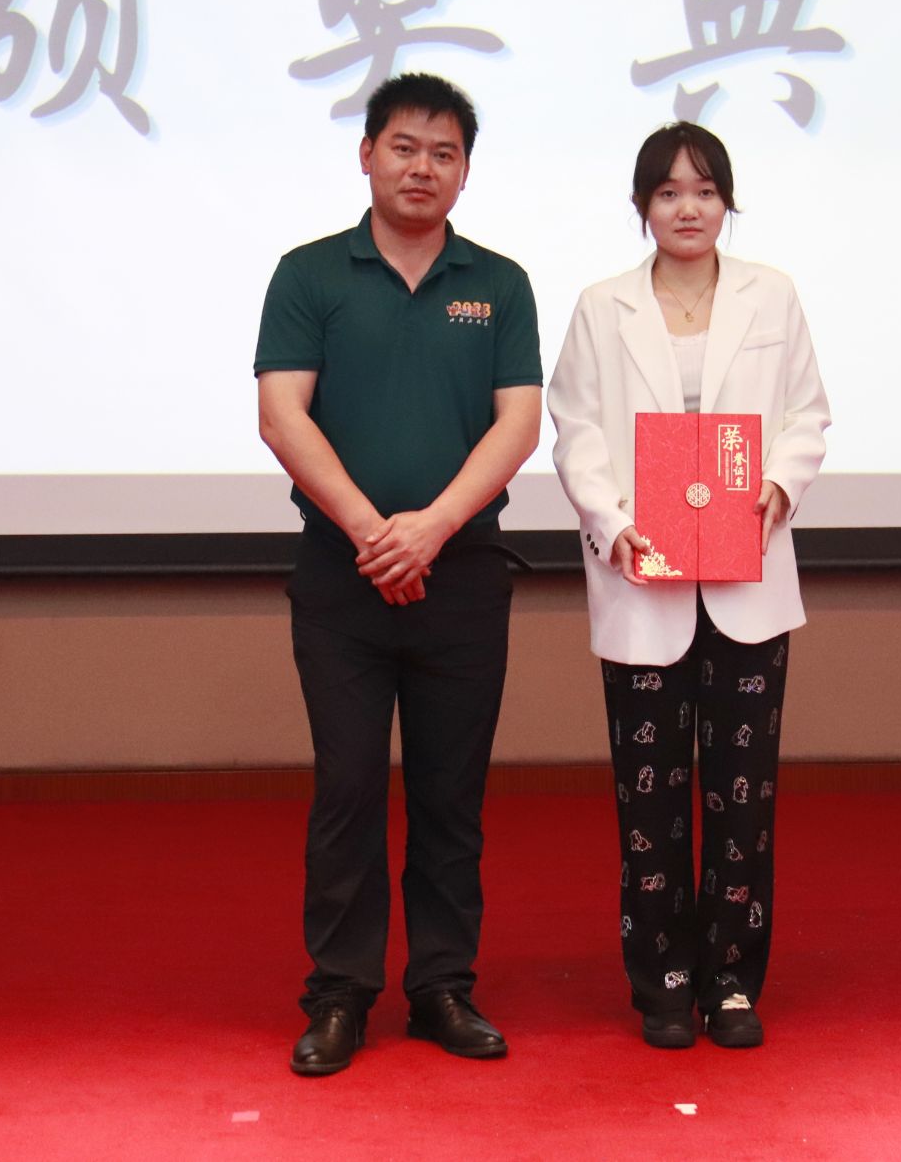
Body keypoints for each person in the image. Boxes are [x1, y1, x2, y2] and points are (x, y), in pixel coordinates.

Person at [254, 74, 542, 1077]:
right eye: (404, 147)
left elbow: (518, 423)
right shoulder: (308, 274)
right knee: (345, 789)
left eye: (444, 153)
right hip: (341, 580)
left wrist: (432, 529)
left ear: (465, 171)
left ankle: (441, 986)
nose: (423, 167)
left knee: (450, 794)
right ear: (367, 154)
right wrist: (375, 533)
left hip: (461, 578)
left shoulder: (498, 283)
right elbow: (281, 413)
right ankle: (339, 992)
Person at [545, 122, 830, 1049]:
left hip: (748, 572)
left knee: (744, 797)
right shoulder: (603, 307)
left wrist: (778, 485)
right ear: (642, 206)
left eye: (705, 191)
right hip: (644, 576)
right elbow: (575, 428)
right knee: (651, 796)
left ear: (726, 202)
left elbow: (806, 414)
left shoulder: (771, 294)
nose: (688, 208)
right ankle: (663, 979)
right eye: (668, 192)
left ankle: (733, 981)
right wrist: (612, 521)